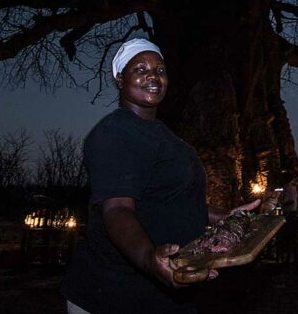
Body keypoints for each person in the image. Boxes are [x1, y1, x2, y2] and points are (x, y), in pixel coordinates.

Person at [62, 38, 259, 314]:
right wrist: (148, 258)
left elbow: (180, 204)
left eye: (160, 69)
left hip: (166, 294)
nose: (152, 75)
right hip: (114, 294)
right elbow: (117, 209)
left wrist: (230, 217)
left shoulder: (168, 137)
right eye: (140, 69)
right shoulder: (115, 133)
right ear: (120, 79)